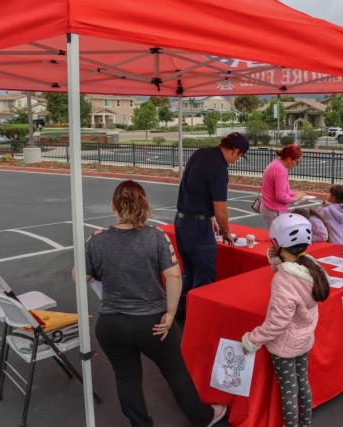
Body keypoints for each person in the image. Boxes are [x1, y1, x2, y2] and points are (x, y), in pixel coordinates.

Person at [80, 180, 226, 427]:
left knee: (127, 378)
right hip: (152, 322)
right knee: (175, 371)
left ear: (113, 206)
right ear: (144, 204)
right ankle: (203, 417)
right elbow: (174, 276)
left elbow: (79, 277)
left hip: (112, 324)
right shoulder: (156, 237)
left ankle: (140, 424)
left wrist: (87, 246)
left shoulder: (97, 240)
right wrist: (170, 314)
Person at [242, 214, 330, 427]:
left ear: (280, 244)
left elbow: (277, 323)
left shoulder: (283, 280)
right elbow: (292, 272)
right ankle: (305, 424)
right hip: (304, 339)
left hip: (284, 345)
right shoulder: (312, 266)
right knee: (303, 383)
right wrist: (276, 260)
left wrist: (252, 340)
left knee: (289, 392)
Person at [175, 132, 249, 321]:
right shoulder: (219, 167)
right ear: (236, 151)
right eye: (239, 157)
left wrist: (208, 216)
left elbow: (193, 189)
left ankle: (182, 313)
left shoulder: (201, 153)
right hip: (197, 228)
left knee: (190, 271)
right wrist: (227, 231)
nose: (236, 160)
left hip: (183, 221)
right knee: (204, 274)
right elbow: (221, 208)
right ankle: (199, 320)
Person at [259, 144, 307, 227]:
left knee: (276, 236)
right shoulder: (281, 170)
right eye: (297, 162)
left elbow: (283, 191)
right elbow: (280, 196)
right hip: (274, 210)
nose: (296, 164)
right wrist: (294, 198)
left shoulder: (275, 164)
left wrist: (296, 194)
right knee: (280, 237)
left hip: (268, 207)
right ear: (289, 159)